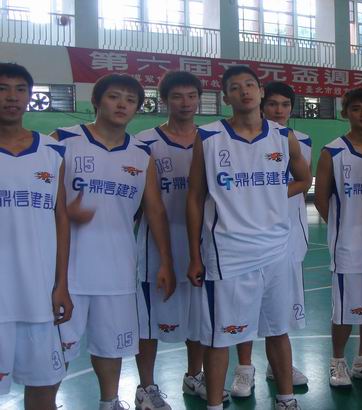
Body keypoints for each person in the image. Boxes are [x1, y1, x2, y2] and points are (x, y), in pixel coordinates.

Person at [186, 66, 311, 410]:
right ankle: (214, 405)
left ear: (260, 91)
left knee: (278, 330)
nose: (244, 91)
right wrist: (195, 255)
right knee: (220, 337)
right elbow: (195, 197)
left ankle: (286, 399)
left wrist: (272, 195)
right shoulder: (209, 137)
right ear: (226, 97)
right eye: (235, 87)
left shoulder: (283, 137)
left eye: (250, 85)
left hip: (275, 250)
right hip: (228, 253)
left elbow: (304, 179)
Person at [55, 74, 176, 410]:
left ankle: (109, 402)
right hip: (65, 271)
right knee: (56, 350)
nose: (122, 104)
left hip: (118, 268)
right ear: (96, 101)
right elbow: (36, 194)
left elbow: (155, 210)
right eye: (113, 96)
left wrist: (166, 261)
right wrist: (62, 210)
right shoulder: (63, 140)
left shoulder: (141, 154)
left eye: (130, 99)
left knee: (112, 346)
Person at [134, 71, 225, 409]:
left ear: (200, 99)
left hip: (202, 243)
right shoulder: (145, 142)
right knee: (150, 321)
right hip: (158, 243)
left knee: (200, 317)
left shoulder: (213, 140)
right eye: (177, 96)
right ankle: (146, 387)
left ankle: (194, 375)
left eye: (191, 96)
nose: (185, 103)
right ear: (164, 100)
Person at [231, 81, 310, 398]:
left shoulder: (300, 140)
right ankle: (244, 368)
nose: (279, 110)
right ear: (261, 105)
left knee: (279, 309)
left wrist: (274, 194)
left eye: (285, 105)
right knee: (243, 308)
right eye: (273, 104)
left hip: (287, 235)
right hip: (248, 234)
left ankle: (278, 367)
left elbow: (303, 181)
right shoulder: (240, 139)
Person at [0, 62, 72, 410]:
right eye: (2, 89)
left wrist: (62, 284)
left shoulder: (52, 151)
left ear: (30, 97)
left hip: (39, 293)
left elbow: (61, 218)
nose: (11, 97)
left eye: (20, 90)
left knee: (43, 387)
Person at [314, 88, 362, 391]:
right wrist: (343, 227)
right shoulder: (332, 152)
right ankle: (337, 361)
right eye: (356, 108)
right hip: (349, 247)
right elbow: (321, 198)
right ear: (345, 112)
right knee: (345, 309)